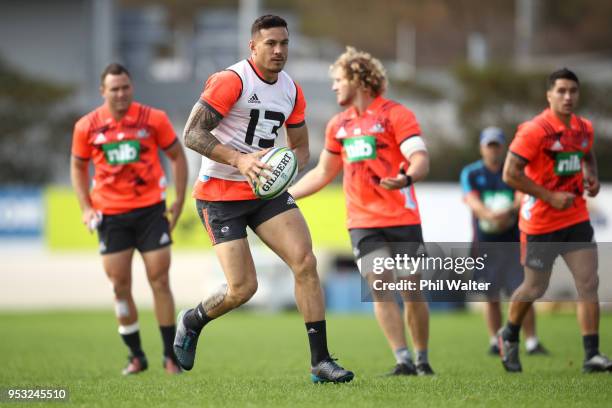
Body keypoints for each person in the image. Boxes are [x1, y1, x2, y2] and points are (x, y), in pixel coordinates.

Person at [173, 15, 354, 384]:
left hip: (264, 193)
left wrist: (285, 168)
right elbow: (192, 133)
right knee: (243, 289)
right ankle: (192, 320)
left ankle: (320, 361)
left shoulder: (291, 90)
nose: (278, 50)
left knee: (305, 261)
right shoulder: (231, 81)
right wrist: (240, 160)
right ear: (252, 46)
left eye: (284, 43)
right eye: (270, 43)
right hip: (219, 195)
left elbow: (302, 149)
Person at [289, 46, 434, 376]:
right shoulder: (337, 125)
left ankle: (422, 357)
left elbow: (420, 158)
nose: (334, 86)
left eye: (339, 79)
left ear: (359, 79)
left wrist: (407, 177)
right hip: (363, 222)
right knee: (379, 285)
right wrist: (284, 196)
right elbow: (323, 173)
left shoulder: (397, 114)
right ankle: (403, 360)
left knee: (411, 290)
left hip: (402, 218)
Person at [71, 63, 188, 375]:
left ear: (131, 87)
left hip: (151, 211)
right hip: (111, 216)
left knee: (160, 280)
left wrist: (178, 200)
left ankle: (169, 356)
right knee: (120, 285)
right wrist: (85, 206)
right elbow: (78, 167)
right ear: (103, 91)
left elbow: (178, 157)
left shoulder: (154, 119)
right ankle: (136, 355)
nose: (120, 93)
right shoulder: (86, 126)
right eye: (114, 89)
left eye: (125, 87)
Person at [499, 68, 611, 373]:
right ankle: (509, 336)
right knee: (534, 287)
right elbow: (510, 174)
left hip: (575, 217)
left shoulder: (583, 128)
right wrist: (548, 196)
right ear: (549, 95)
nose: (568, 96)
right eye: (561, 91)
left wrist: (591, 177)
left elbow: (587, 155)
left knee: (589, 282)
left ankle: (592, 356)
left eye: (573, 91)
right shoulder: (534, 130)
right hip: (541, 223)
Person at [461, 127, 548, 356]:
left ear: (503, 147)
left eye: (496, 145)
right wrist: (489, 215)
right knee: (490, 295)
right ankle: (494, 340)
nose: (493, 150)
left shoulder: (512, 171)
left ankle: (531, 341)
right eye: (489, 145)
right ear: (482, 148)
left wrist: (507, 211)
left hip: (513, 242)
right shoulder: (471, 173)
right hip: (485, 244)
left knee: (522, 291)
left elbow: (522, 196)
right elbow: (471, 200)